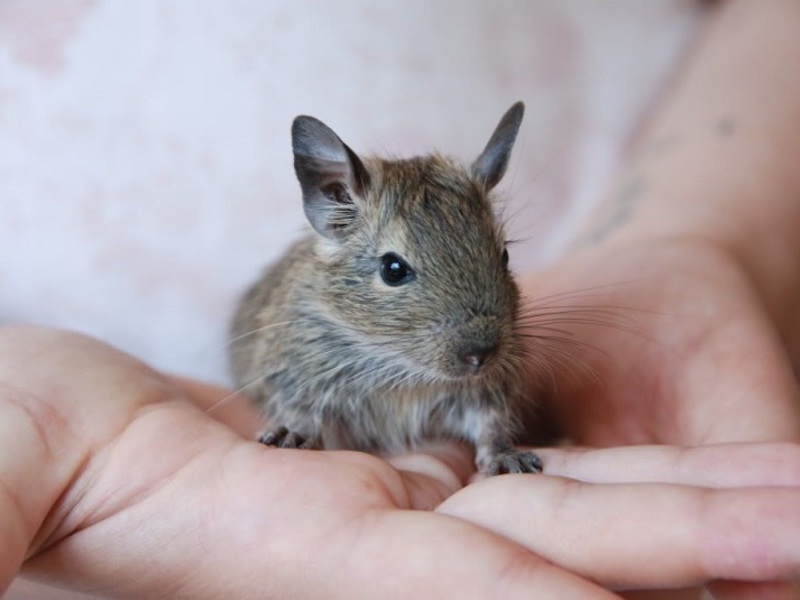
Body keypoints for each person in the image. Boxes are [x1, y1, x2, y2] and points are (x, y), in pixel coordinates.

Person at [3, 0, 800, 597]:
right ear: (330, 202)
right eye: (397, 272)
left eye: (497, 260)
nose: (478, 339)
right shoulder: (310, 311)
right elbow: (276, 369)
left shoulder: (488, 328)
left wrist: (693, 236)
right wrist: (297, 421)